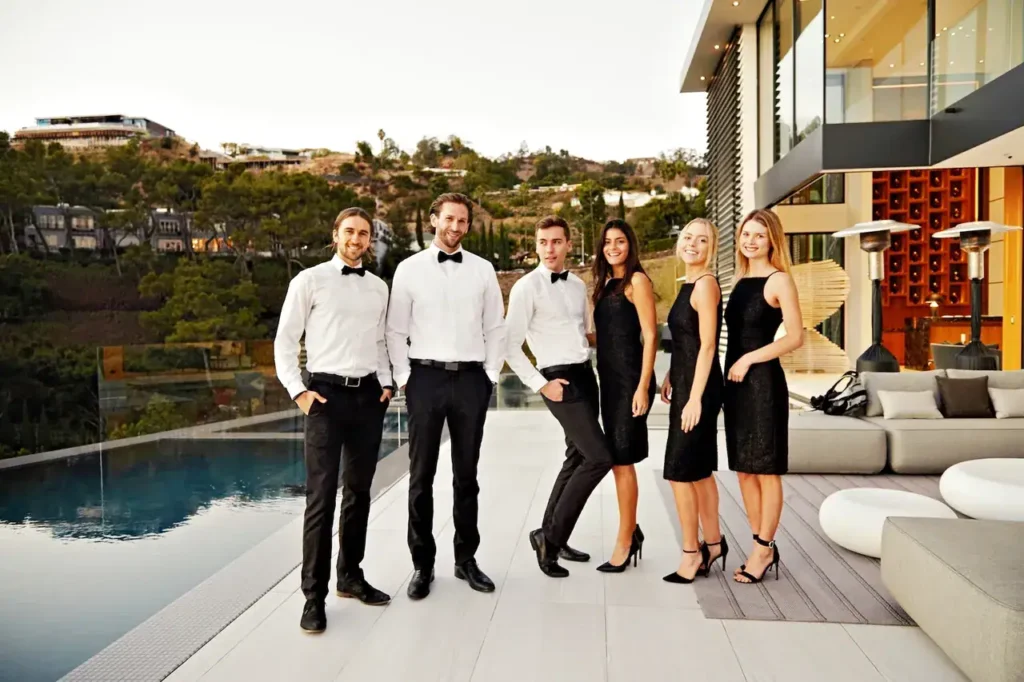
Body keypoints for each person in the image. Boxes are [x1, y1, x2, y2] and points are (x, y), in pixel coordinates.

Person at [274, 207, 394, 634]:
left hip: (367, 397)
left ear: (369, 241)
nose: (357, 239)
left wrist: (386, 383)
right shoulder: (308, 281)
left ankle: (350, 577)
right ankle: (313, 597)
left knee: (359, 492)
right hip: (324, 395)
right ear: (335, 235)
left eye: (364, 234)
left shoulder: (379, 288)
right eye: (350, 232)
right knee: (321, 498)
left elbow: (380, 340)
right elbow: (285, 341)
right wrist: (299, 392)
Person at [386, 192, 506, 600]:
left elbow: (496, 328)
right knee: (420, 477)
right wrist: (405, 378)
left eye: (463, 221)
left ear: (468, 225)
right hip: (425, 379)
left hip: (471, 380)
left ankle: (465, 560)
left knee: (467, 477)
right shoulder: (408, 270)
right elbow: (394, 330)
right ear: (434, 219)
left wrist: (489, 375)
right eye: (449, 219)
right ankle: (422, 565)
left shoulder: (484, 270)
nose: (455, 227)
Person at [505, 215, 614, 578]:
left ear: (568, 244)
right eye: (543, 242)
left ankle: (553, 533)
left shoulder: (577, 285)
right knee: (599, 458)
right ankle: (549, 541)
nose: (549, 249)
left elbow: (587, 333)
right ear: (536, 245)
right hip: (557, 380)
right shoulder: (525, 287)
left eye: (556, 241)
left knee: (576, 456)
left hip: (586, 375)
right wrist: (541, 384)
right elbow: (510, 346)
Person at [723, 208, 803, 584]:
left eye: (759, 235)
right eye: (746, 234)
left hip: (763, 384)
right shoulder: (739, 279)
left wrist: (750, 358)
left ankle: (761, 547)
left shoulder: (779, 280)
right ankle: (763, 546)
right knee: (743, 470)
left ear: (772, 240)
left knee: (766, 470)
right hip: (736, 386)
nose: (751, 240)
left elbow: (794, 337)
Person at [660, 218, 727, 584]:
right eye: (688, 237)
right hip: (686, 382)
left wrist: (695, 398)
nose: (693, 244)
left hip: (698, 390)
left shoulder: (706, 285)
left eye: (702, 240)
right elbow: (685, 343)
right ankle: (714, 544)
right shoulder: (687, 284)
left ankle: (692, 552)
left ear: (711, 248)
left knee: (679, 472)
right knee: (699, 471)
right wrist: (672, 374)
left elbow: (708, 346)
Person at [590, 219, 658, 572]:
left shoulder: (637, 281)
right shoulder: (604, 285)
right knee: (619, 460)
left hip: (630, 383)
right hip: (610, 384)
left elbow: (650, 335)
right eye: (607, 242)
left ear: (630, 244)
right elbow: (605, 336)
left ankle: (625, 539)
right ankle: (632, 530)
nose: (613, 247)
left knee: (622, 461)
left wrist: (643, 386)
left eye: (619, 241)